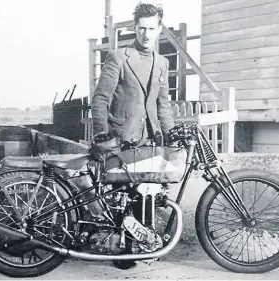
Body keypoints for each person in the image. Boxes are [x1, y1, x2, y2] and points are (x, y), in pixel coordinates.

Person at [90, 3, 175, 270]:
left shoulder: (162, 63)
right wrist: (102, 135)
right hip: (122, 137)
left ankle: (136, 246)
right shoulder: (118, 57)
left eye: (151, 29)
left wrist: (170, 134)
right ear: (134, 28)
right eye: (141, 29)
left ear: (159, 29)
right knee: (120, 196)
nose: (146, 34)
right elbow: (101, 99)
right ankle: (118, 250)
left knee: (145, 194)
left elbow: (163, 104)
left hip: (150, 138)